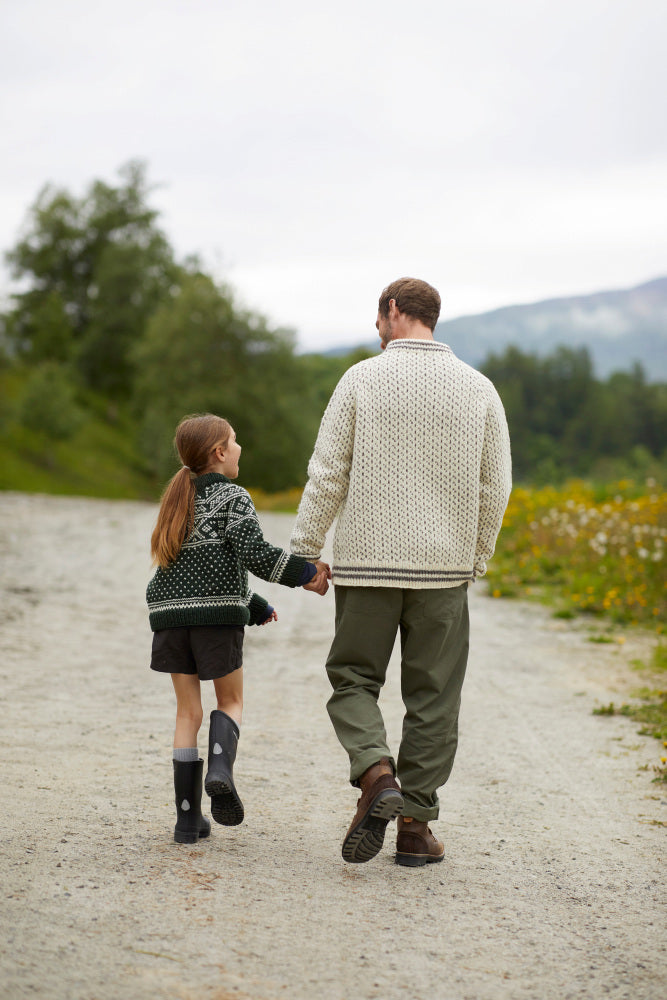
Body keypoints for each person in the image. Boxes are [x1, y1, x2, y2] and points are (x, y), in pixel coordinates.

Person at [290, 277, 511, 866]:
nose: (377, 329)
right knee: (434, 697)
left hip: (366, 568)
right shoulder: (479, 388)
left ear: (393, 311)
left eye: (378, 317)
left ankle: (376, 775)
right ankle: (415, 827)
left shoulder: (361, 378)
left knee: (354, 679)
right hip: (444, 573)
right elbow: (496, 486)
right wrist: (476, 556)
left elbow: (328, 471)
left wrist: (306, 551)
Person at [147, 413, 329, 844]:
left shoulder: (177, 499)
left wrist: (255, 605)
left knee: (187, 713)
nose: (240, 447)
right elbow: (255, 553)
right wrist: (307, 574)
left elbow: (198, 571)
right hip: (213, 622)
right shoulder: (233, 496)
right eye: (235, 440)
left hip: (170, 617)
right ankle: (220, 771)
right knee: (230, 702)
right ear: (220, 452)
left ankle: (187, 821)